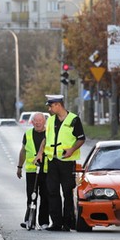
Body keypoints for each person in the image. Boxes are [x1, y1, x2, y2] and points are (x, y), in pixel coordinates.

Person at [36, 95, 85, 232]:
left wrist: (72, 149)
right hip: (52, 161)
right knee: (52, 192)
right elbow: (46, 139)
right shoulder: (51, 120)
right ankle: (56, 223)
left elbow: (81, 139)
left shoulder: (74, 119)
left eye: (51, 106)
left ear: (58, 105)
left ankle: (67, 223)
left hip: (67, 162)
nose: (49, 109)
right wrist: (40, 153)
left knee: (67, 192)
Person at [17, 112, 49, 230]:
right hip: (31, 170)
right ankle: (29, 220)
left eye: (40, 121)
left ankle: (44, 222)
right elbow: (23, 151)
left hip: (45, 170)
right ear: (32, 122)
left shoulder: (49, 133)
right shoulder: (28, 134)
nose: (38, 123)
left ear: (44, 121)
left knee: (45, 196)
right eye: (35, 121)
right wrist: (19, 167)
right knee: (31, 196)